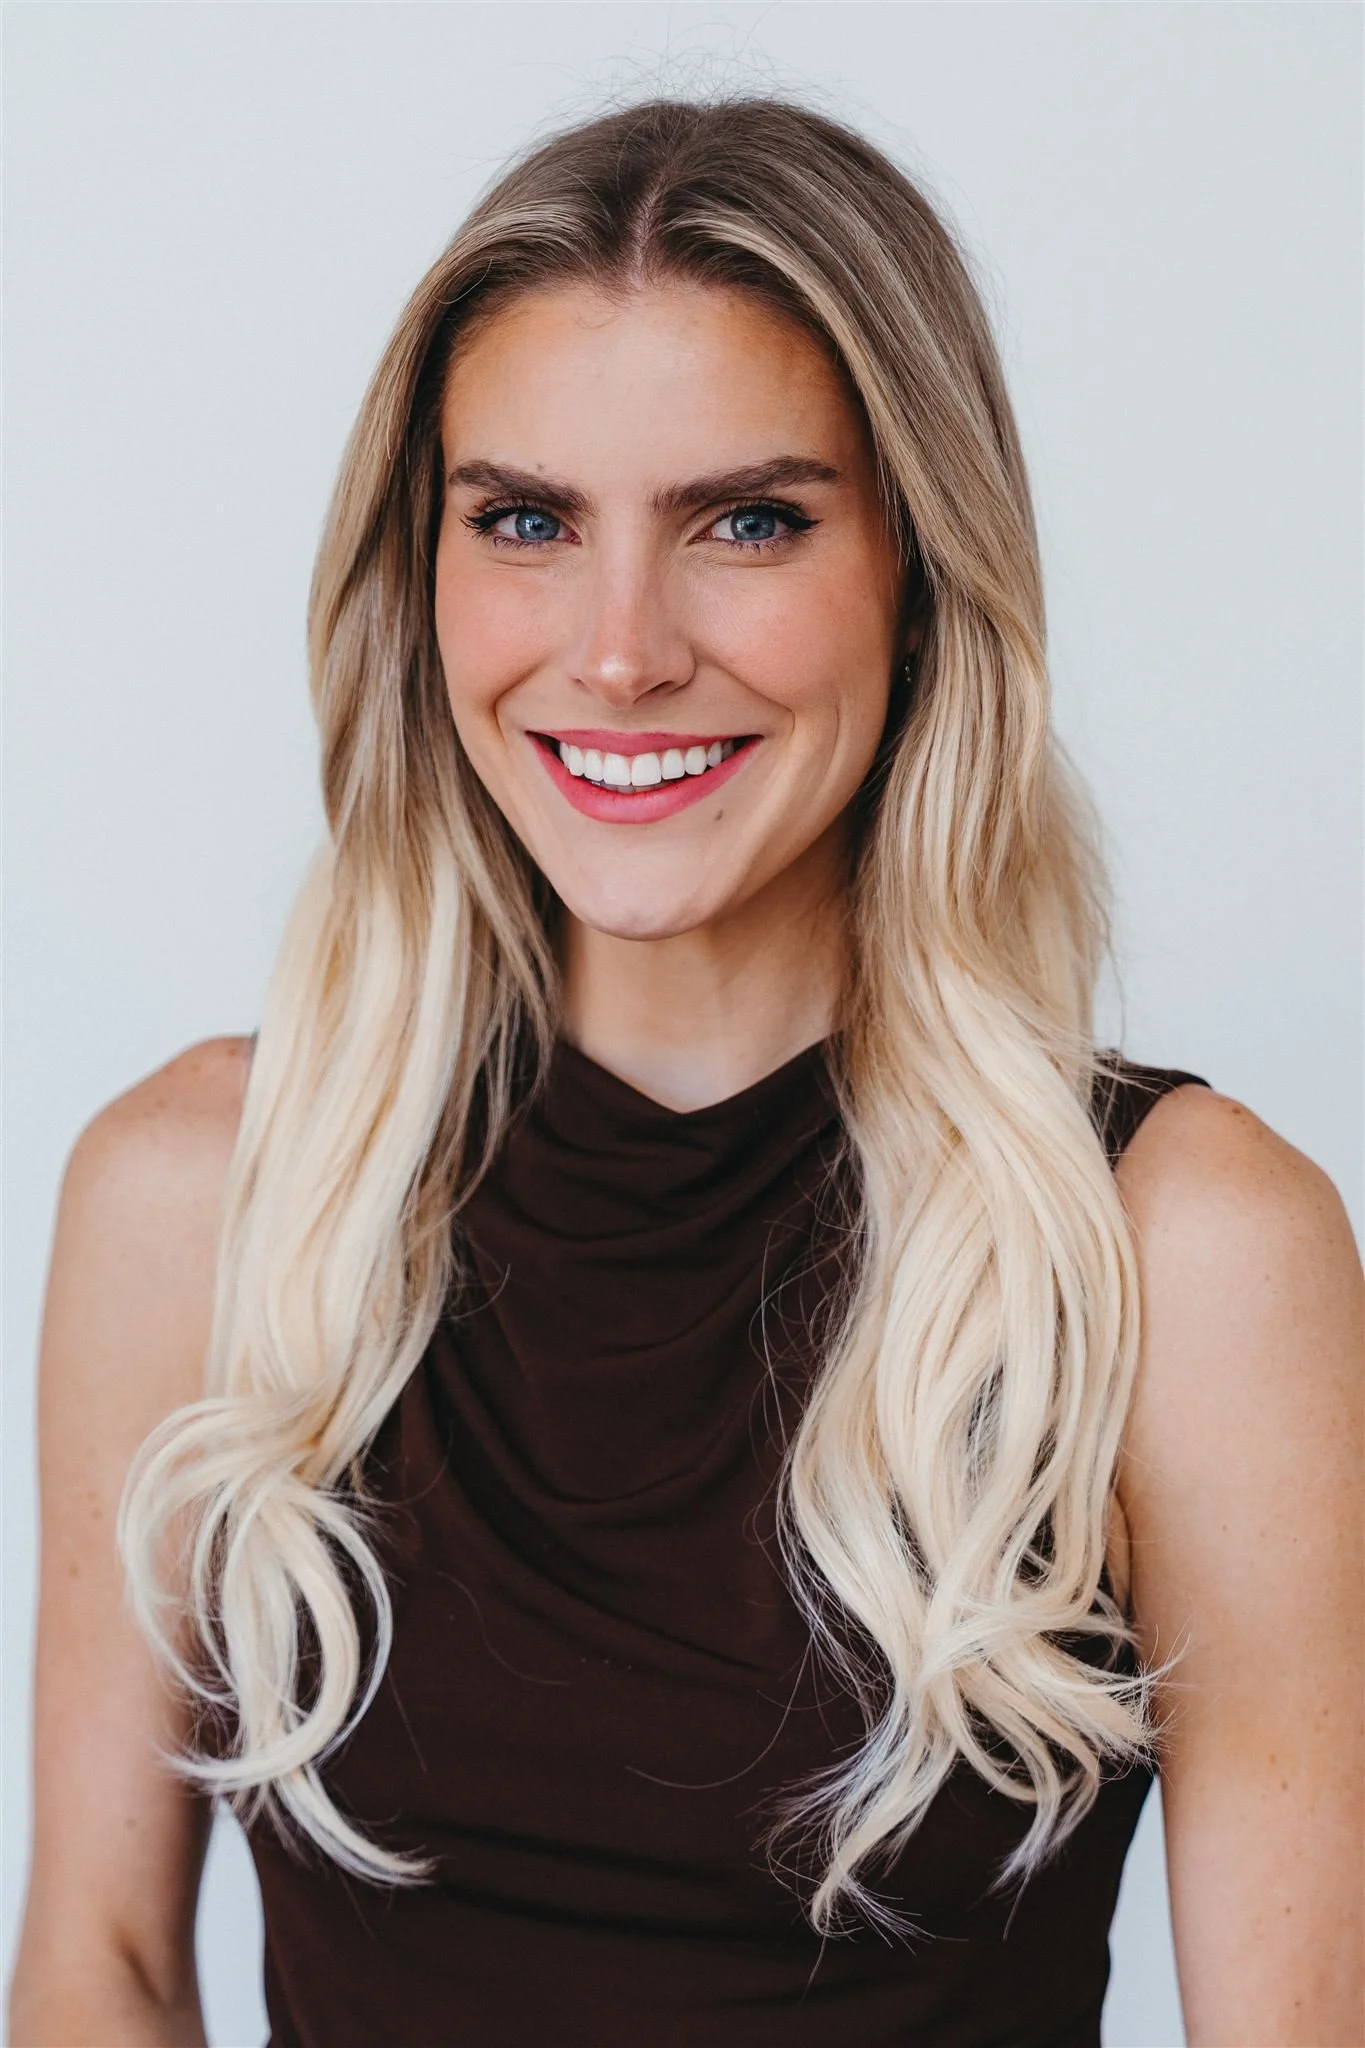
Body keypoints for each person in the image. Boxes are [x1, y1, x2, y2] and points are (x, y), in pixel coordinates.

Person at [9, 93, 1362, 2048]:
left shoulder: (1183, 1254)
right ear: (427, 569)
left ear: (918, 568)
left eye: (746, 519)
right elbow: (98, 1977)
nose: (619, 650)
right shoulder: (197, 1195)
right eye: (528, 521)